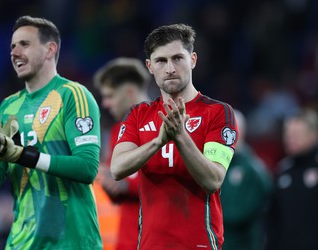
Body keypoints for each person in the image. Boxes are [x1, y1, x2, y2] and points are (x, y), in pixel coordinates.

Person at [0, 16, 102, 249]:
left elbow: (87, 168)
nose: (15, 52)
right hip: (21, 242)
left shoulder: (73, 95)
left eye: (24, 44)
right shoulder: (7, 108)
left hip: (71, 242)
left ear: (50, 49)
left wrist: (21, 155)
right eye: (12, 46)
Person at [110, 23, 238, 250]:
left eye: (178, 58)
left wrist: (180, 136)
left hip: (199, 245)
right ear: (149, 66)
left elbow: (213, 180)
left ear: (193, 60)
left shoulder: (218, 112)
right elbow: (118, 168)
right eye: (161, 61)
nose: (170, 68)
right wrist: (159, 141)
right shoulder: (138, 114)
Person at [93, 57, 151, 250]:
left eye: (110, 96)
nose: (106, 104)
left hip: (157, 238)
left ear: (129, 92)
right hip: (126, 239)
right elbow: (116, 187)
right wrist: (110, 185)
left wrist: (127, 185)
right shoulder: (118, 131)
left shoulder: (166, 127)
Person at [265, 108, 318, 250]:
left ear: (314, 135)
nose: (290, 139)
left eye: (297, 134)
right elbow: (272, 217)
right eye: (287, 134)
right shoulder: (282, 170)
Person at [220, 109, 273, 250]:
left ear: (239, 131)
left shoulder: (253, 170)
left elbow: (244, 213)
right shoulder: (215, 163)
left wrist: (210, 214)